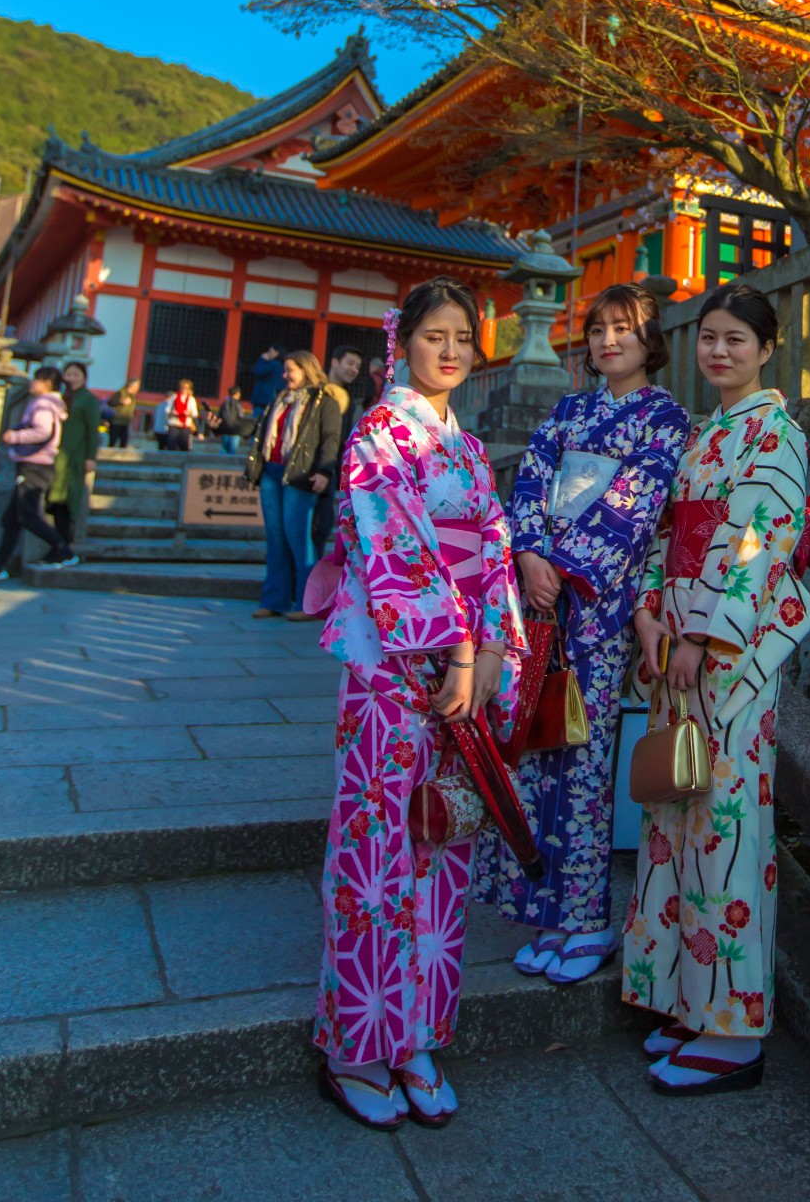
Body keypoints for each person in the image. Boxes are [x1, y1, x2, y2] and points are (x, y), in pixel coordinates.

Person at [313, 278, 526, 1130]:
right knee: (376, 844)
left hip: (461, 672)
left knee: (443, 836)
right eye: (434, 336)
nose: (450, 352)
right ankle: (356, 1042)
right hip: (391, 666)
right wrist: (463, 648)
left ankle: (418, 1035)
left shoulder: (466, 448)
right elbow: (394, 548)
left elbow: (496, 551)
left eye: (463, 340)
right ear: (401, 343)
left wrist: (493, 651)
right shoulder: (379, 435)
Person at [623, 282, 810, 1096]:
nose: (720, 352)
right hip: (676, 643)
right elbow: (666, 535)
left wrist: (704, 634)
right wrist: (650, 620)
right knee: (676, 815)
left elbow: (756, 544)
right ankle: (685, 993)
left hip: (725, 655)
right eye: (709, 337)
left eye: (737, 339)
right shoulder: (705, 435)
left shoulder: (774, 434)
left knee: (729, 827)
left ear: (767, 349)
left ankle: (736, 1029)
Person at [479, 284, 690, 984]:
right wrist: (530, 553)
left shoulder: (664, 420)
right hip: (541, 605)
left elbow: (636, 505)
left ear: (649, 338)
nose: (608, 341)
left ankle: (588, 918)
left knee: (585, 761)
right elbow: (532, 482)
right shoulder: (568, 410)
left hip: (598, 606)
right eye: (598, 329)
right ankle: (544, 910)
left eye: (623, 329)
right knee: (536, 752)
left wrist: (565, 568)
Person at [246, 350, 341, 622]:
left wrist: (324, 470)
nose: (285, 375)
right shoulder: (280, 399)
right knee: (275, 537)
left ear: (306, 370)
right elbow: (259, 430)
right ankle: (274, 599)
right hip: (271, 471)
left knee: (299, 538)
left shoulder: (324, 401)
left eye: (290, 370)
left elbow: (331, 439)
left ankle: (307, 602)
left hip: (300, 474)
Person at [0, 364, 78, 583]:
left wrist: (15, 437)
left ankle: (62, 548)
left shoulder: (44, 403)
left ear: (47, 383)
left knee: (27, 515)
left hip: (34, 464)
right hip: (36, 464)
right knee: (12, 519)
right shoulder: (51, 403)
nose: (32, 383)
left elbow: (42, 431)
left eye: (36, 379)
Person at [312, 345, 364, 560]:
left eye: (358, 367)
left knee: (320, 529)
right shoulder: (315, 393)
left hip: (329, 469)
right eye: (350, 363)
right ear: (334, 362)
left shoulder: (349, 402)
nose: (354, 370)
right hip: (310, 467)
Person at [47, 360, 103, 552]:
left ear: (84, 378)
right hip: (57, 455)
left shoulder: (88, 400)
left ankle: (64, 546)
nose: (71, 378)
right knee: (53, 500)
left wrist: (90, 457)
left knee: (67, 500)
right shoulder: (60, 398)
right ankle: (58, 545)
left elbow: (92, 430)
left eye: (76, 374)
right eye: (68, 374)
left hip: (75, 456)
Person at [159, 377, 202, 452]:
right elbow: (167, 409)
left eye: (186, 388)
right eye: (182, 387)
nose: (184, 389)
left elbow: (194, 414)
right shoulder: (175, 397)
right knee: (171, 443)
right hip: (174, 423)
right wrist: (173, 412)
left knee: (184, 444)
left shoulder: (191, 400)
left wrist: (199, 431)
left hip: (185, 424)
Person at [208, 385, 248, 456]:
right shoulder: (237, 403)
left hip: (225, 426)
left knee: (224, 446)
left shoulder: (224, 402)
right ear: (238, 393)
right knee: (232, 448)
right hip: (235, 427)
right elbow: (240, 416)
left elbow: (220, 414)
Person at [249, 344, 284, 414]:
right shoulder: (281, 365)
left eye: (270, 351)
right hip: (273, 397)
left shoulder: (272, 364)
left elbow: (257, 371)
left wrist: (262, 360)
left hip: (263, 399)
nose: (267, 353)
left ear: (276, 353)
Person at [105, 380, 140, 449]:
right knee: (112, 442)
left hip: (125, 422)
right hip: (116, 421)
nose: (137, 388)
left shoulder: (132, 396)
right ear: (132, 386)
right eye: (137, 386)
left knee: (123, 443)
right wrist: (122, 402)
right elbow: (110, 402)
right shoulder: (121, 393)